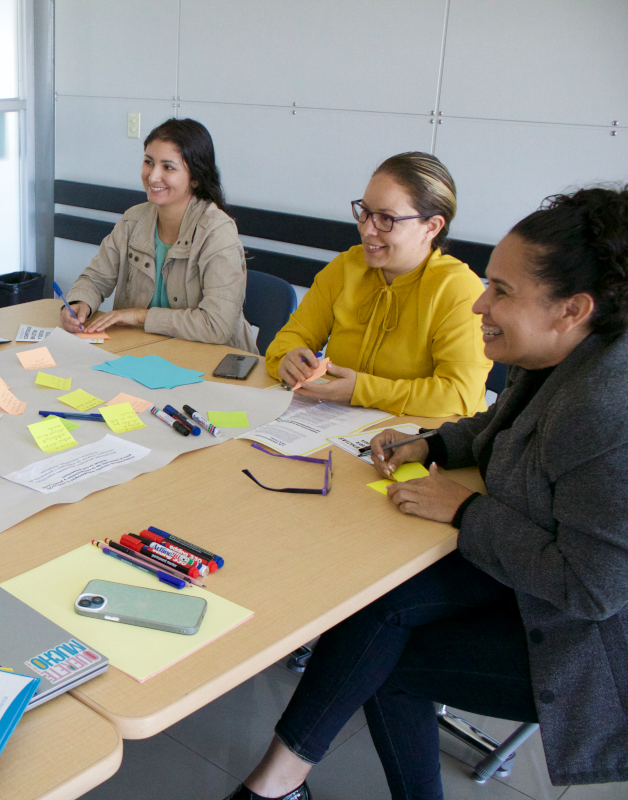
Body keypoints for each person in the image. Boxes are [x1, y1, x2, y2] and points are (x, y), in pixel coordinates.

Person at [228, 186, 628, 800]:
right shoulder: (562, 353)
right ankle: (278, 784)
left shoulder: (605, 408)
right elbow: (496, 425)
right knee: (379, 605)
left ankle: (276, 785)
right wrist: (434, 447)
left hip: (586, 640)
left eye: (501, 292)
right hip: (527, 567)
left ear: (571, 309)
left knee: (390, 667)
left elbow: (591, 589)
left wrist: (466, 509)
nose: (480, 305)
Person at [266, 152, 490, 417]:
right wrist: (287, 359)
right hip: (335, 425)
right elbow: (290, 338)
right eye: (365, 212)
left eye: (386, 219)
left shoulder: (457, 289)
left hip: (417, 441)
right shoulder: (347, 267)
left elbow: (460, 393)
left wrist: (361, 390)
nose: (366, 229)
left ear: (431, 227)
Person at [60, 118, 256, 351]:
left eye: (168, 167)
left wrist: (138, 316)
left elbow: (216, 325)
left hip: (212, 363)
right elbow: (95, 278)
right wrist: (80, 303)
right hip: (143, 354)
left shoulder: (217, 232)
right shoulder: (134, 219)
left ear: (195, 177)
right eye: (149, 162)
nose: (153, 177)